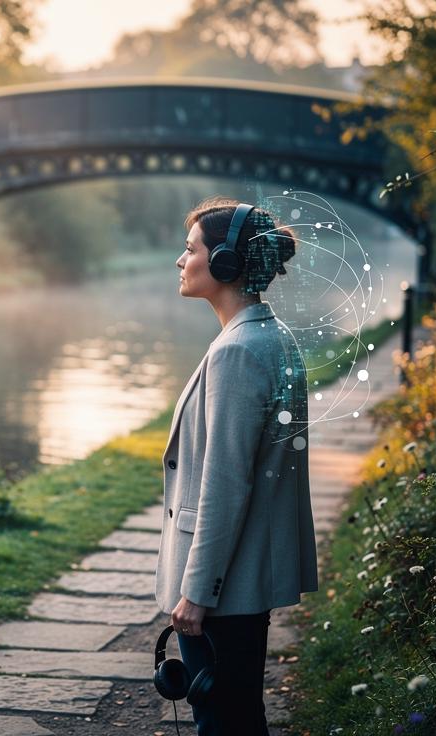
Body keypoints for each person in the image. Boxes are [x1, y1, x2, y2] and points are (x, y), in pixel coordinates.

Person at [155, 196, 319, 735]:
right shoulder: (271, 337)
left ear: (225, 262)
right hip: (244, 574)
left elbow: (226, 484)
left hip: (223, 587)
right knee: (240, 715)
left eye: (191, 249)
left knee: (222, 721)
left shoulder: (238, 352)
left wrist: (197, 591)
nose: (181, 260)